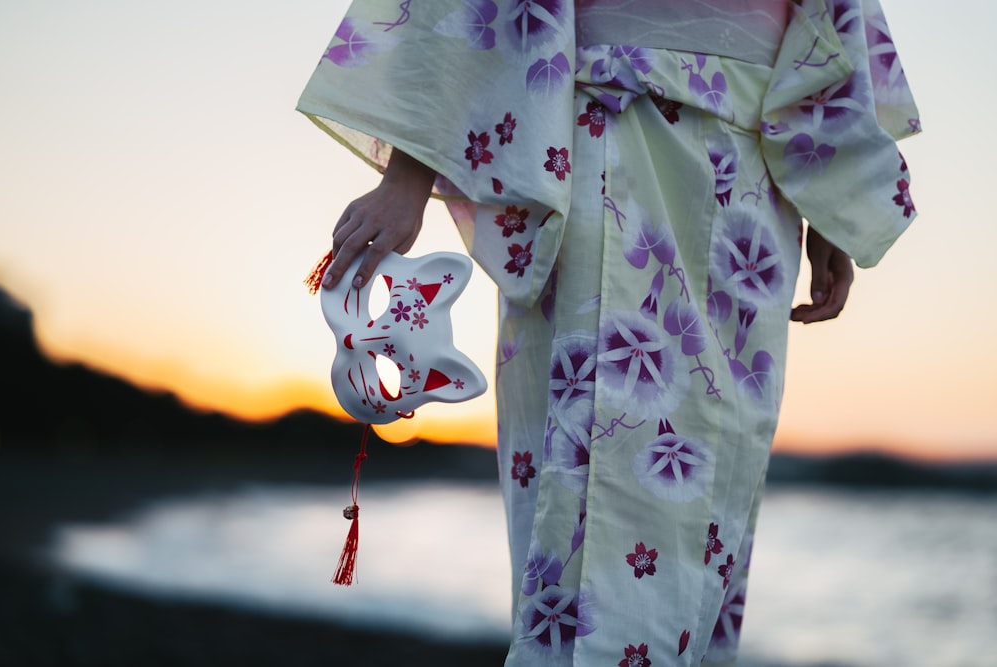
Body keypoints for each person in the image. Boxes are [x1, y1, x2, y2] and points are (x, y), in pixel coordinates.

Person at [299, 1, 919, 664]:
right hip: (602, 150)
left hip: (755, 187)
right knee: (582, 520)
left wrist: (833, 197)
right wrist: (407, 173)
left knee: (713, 515)